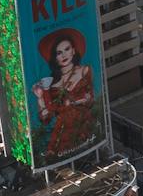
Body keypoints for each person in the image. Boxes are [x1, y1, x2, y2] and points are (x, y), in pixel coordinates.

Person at [30, 27, 99, 159]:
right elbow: (46, 117)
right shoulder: (51, 85)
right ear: (55, 58)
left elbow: (91, 99)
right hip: (62, 134)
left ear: (73, 50)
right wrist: (40, 98)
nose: (64, 55)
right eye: (59, 53)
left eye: (67, 49)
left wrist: (74, 102)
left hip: (85, 127)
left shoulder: (85, 71)